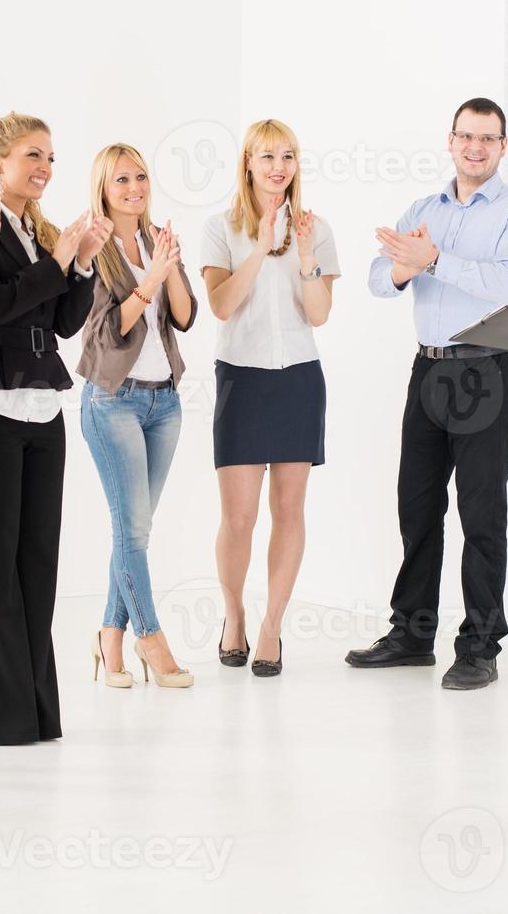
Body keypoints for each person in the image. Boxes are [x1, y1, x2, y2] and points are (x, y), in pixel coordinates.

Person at [346, 97, 508, 690]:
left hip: (484, 370)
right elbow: (380, 280)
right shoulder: (422, 207)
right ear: (451, 141)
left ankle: (480, 646)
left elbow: (505, 284)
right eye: (465, 136)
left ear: (503, 146)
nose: (475, 147)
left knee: (481, 513)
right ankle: (412, 633)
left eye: (488, 138)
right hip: (428, 371)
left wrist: (431, 258)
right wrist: (409, 266)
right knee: (418, 505)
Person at [0, 112, 110, 743]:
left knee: (38, 561)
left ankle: (38, 714)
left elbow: (64, 322)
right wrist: (59, 259)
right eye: (32, 156)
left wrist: (83, 265)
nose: (43, 168)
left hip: (43, 405)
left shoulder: (40, 231)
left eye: (50, 159)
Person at [202, 118, 339, 678]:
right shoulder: (221, 227)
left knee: (289, 510)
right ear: (248, 163)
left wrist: (304, 255)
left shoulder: (317, 228)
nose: (278, 167)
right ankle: (234, 615)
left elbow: (319, 314)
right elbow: (220, 305)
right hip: (242, 376)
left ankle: (271, 628)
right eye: (266, 156)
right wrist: (259, 248)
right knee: (238, 518)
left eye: (287, 156)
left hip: (298, 379)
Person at [75, 144, 198, 689]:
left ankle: (108, 636)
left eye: (141, 177)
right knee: (134, 529)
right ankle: (150, 639)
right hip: (112, 400)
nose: (134, 187)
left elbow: (185, 315)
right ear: (103, 187)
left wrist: (167, 267)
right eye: (121, 179)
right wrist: (148, 279)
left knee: (134, 531)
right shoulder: (95, 248)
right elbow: (105, 333)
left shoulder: (157, 241)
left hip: (163, 401)